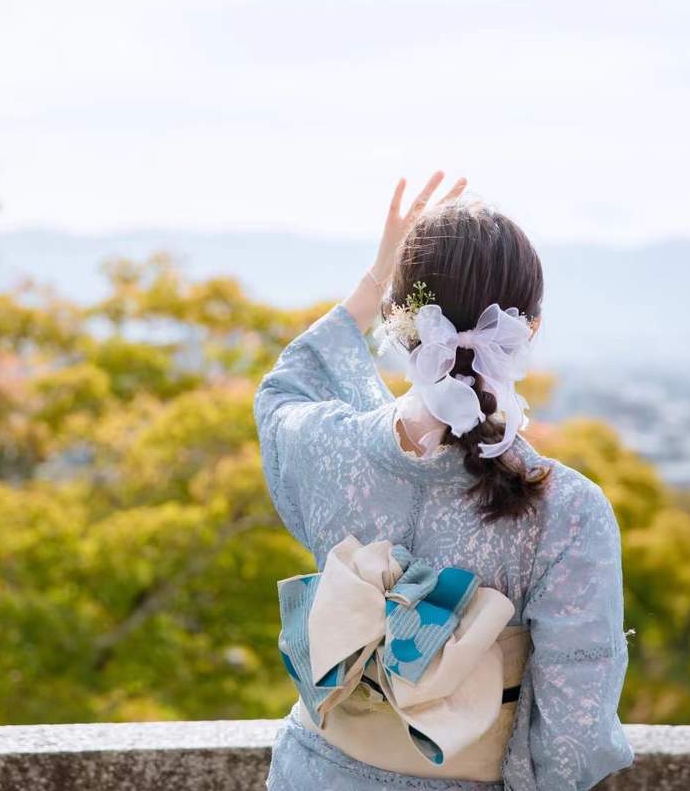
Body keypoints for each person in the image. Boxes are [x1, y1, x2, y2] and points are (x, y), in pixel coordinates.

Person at [255, 171, 634, 790]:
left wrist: (377, 277)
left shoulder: (329, 446)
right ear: (528, 328)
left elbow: (287, 386)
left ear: (401, 320)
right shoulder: (565, 509)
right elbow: (575, 733)